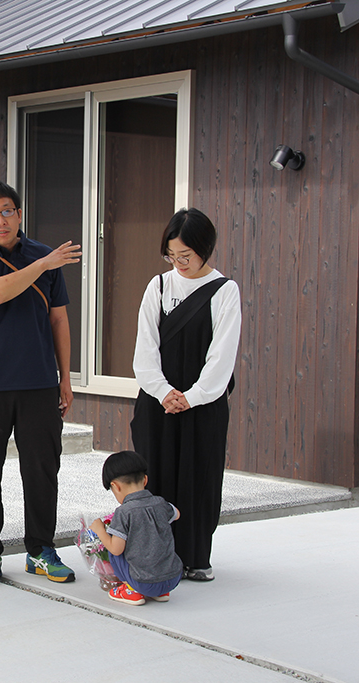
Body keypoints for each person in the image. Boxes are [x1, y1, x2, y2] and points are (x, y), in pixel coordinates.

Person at [0, 180, 82, 587]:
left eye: (7, 211)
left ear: (20, 214)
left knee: (42, 469)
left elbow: (59, 319)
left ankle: (41, 549)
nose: (0, 220)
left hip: (40, 382)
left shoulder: (44, 254)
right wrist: (44, 265)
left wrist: (65, 377)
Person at [130, 207, 241, 582]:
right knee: (154, 479)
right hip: (157, 402)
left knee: (199, 477)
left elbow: (221, 357)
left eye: (186, 256)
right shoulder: (158, 286)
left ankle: (195, 557)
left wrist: (190, 397)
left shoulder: (225, 291)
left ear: (205, 249)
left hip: (202, 406)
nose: (178, 263)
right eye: (171, 256)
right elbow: (144, 350)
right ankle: (154, 558)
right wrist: (164, 392)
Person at [89, 450, 183, 605]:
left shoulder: (124, 512)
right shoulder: (160, 503)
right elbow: (177, 514)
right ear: (145, 480)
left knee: (115, 545)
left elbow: (116, 549)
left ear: (115, 486)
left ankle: (132, 590)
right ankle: (161, 592)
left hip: (143, 582)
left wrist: (100, 530)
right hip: (173, 579)